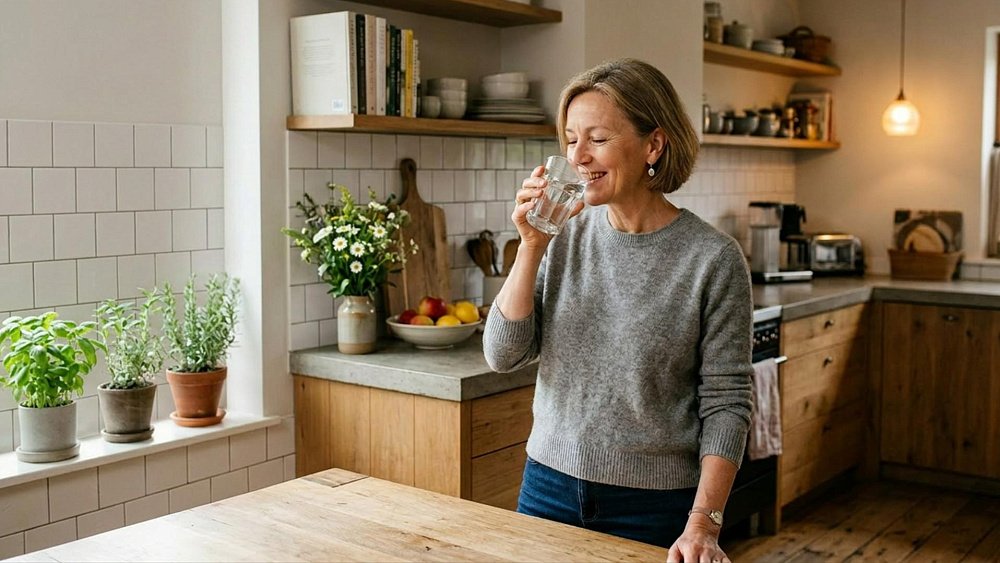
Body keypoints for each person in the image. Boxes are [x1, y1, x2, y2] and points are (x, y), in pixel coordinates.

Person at [482, 58, 752, 563]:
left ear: (654, 145)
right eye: (570, 140)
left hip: (656, 506)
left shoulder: (713, 258)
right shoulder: (560, 235)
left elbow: (727, 404)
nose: (578, 156)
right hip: (547, 487)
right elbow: (503, 354)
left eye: (598, 139)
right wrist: (530, 247)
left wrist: (703, 524)